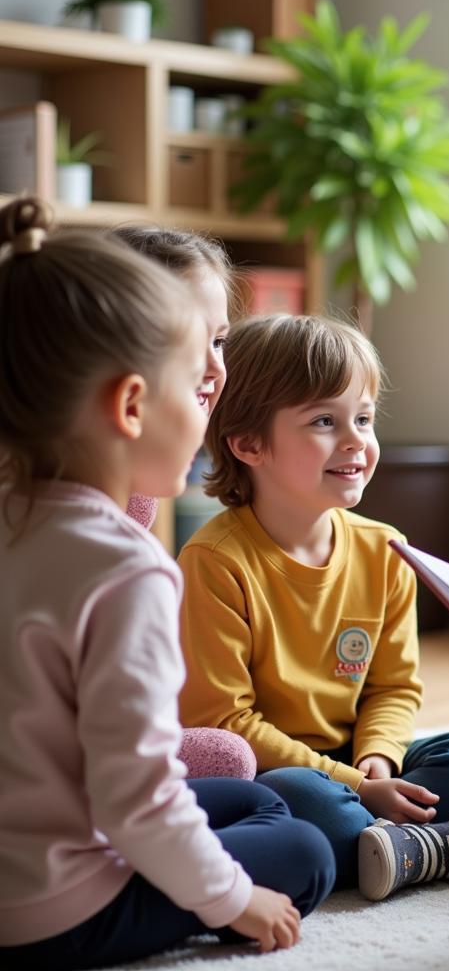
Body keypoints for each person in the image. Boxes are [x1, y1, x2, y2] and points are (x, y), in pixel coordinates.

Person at [0, 198, 335, 971]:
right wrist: (233, 901)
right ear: (130, 405)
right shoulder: (124, 568)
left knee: (252, 802)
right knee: (302, 850)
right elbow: (137, 796)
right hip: (52, 910)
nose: (210, 401)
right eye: (196, 385)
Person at [176, 312, 449, 902]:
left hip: (352, 760)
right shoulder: (214, 560)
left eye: (363, 418)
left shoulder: (385, 549)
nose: (356, 439)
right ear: (248, 444)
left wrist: (380, 762)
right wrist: (355, 785)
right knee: (312, 807)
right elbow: (224, 722)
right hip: (273, 770)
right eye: (324, 421)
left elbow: (394, 687)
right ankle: (415, 842)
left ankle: (388, 844)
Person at [113, 225, 256, 781]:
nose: (216, 368)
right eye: (189, 341)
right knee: (240, 768)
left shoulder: (137, 491)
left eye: (220, 340)